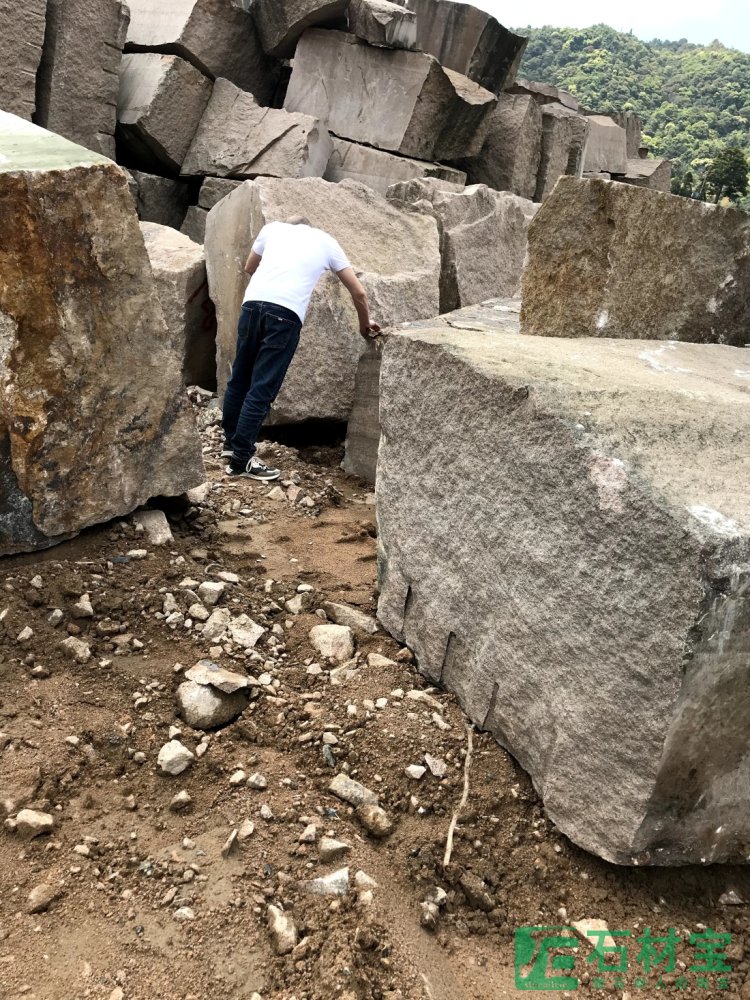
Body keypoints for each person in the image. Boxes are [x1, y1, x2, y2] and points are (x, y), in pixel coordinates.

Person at [222, 215, 381, 481]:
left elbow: (250, 267)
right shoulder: (326, 242)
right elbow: (359, 293)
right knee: (262, 388)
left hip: (251, 307)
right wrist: (364, 323)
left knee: (239, 378)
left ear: (289, 225)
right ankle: (241, 461)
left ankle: (231, 444)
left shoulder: (272, 229)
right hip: (284, 314)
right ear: (309, 227)